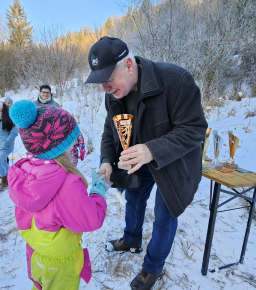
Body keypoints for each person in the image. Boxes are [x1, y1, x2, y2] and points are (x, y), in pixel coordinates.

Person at [85, 37, 208, 289]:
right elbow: (109, 130)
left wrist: (152, 150)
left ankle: (152, 267)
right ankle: (131, 239)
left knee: (164, 214)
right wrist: (107, 160)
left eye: (109, 80)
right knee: (133, 198)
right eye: (101, 83)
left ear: (129, 65)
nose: (105, 89)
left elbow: (195, 129)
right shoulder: (114, 95)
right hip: (137, 162)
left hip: (172, 163)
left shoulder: (175, 80)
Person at [8, 100, 109, 290]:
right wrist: (98, 191)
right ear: (61, 145)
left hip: (37, 251)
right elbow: (91, 219)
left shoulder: (26, 170)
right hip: (61, 261)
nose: (76, 143)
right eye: (72, 140)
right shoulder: (67, 182)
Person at [0, 101, 18, 192]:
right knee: (3, 163)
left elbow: (14, 132)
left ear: (3, 109)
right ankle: (11, 178)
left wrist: (7, 142)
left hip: (6, 146)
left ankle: (4, 182)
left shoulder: (9, 119)